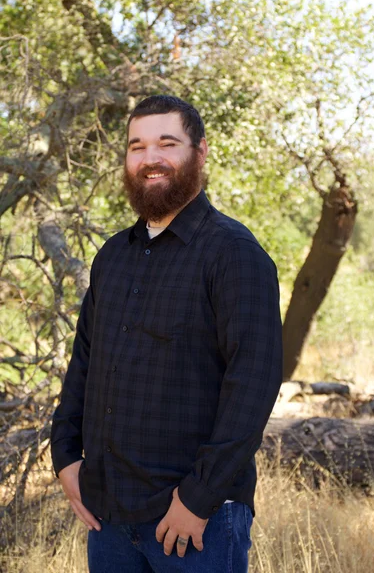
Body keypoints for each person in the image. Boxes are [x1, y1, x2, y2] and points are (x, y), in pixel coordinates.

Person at [51, 95, 282, 572]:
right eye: (137, 146)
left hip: (196, 524)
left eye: (166, 143)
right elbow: (85, 364)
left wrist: (197, 500)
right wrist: (65, 456)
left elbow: (253, 386)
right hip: (109, 517)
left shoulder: (233, 253)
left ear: (199, 152)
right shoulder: (113, 256)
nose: (150, 158)